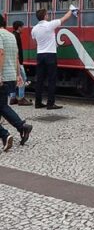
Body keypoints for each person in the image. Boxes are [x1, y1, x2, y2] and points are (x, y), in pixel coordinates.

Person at [0, 14, 32, 151]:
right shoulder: (11, 36)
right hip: (11, 76)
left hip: (2, 77)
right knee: (2, 107)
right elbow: (16, 56)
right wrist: (18, 74)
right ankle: (22, 127)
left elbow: (0, 53)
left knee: (2, 106)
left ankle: (5, 135)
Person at [31, 8, 73, 110]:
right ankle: (50, 103)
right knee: (51, 79)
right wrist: (71, 10)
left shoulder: (34, 29)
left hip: (40, 55)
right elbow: (64, 18)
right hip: (50, 55)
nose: (48, 16)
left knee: (39, 80)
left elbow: (35, 42)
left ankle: (38, 102)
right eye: (47, 15)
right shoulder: (49, 25)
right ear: (45, 16)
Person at [9, 20, 32, 106]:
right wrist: (18, 62)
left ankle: (13, 98)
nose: (23, 28)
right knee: (23, 79)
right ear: (19, 27)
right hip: (18, 62)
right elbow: (16, 50)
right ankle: (21, 98)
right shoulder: (16, 36)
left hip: (15, 61)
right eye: (22, 26)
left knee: (15, 80)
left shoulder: (13, 35)